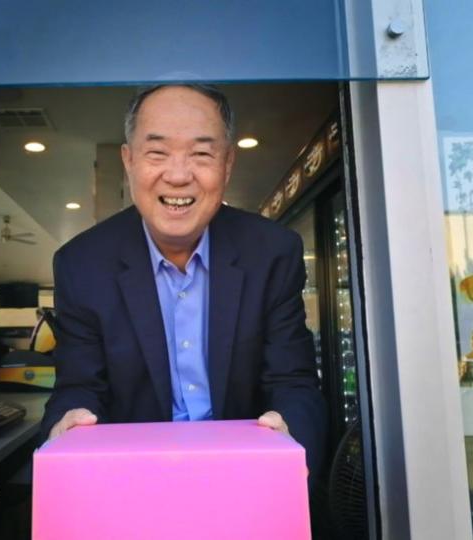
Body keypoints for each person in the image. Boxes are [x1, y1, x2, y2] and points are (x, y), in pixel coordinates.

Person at [40, 84, 327, 479]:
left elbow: (292, 381)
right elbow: (78, 386)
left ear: (227, 164)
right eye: (157, 152)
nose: (177, 176)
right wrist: (67, 428)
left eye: (201, 154)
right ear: (128, 161)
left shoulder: (273, 253)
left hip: (245, 474)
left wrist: (291, 438)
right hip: (133, 478)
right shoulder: (82, 264)